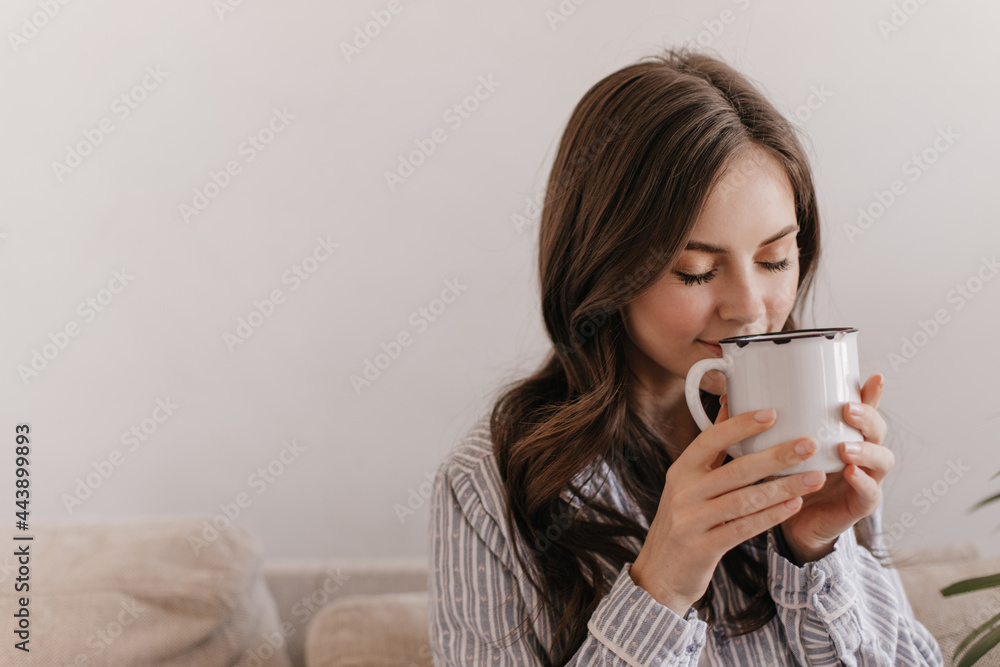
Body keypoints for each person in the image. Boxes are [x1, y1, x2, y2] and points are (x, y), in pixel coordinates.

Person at [427, 47, 944, 666]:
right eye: (696, 271)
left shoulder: (815, 434)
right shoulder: (489, 486)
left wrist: (817, 553)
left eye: (776, 259)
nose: (749, 308)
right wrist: (661, 587)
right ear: (603, 266)